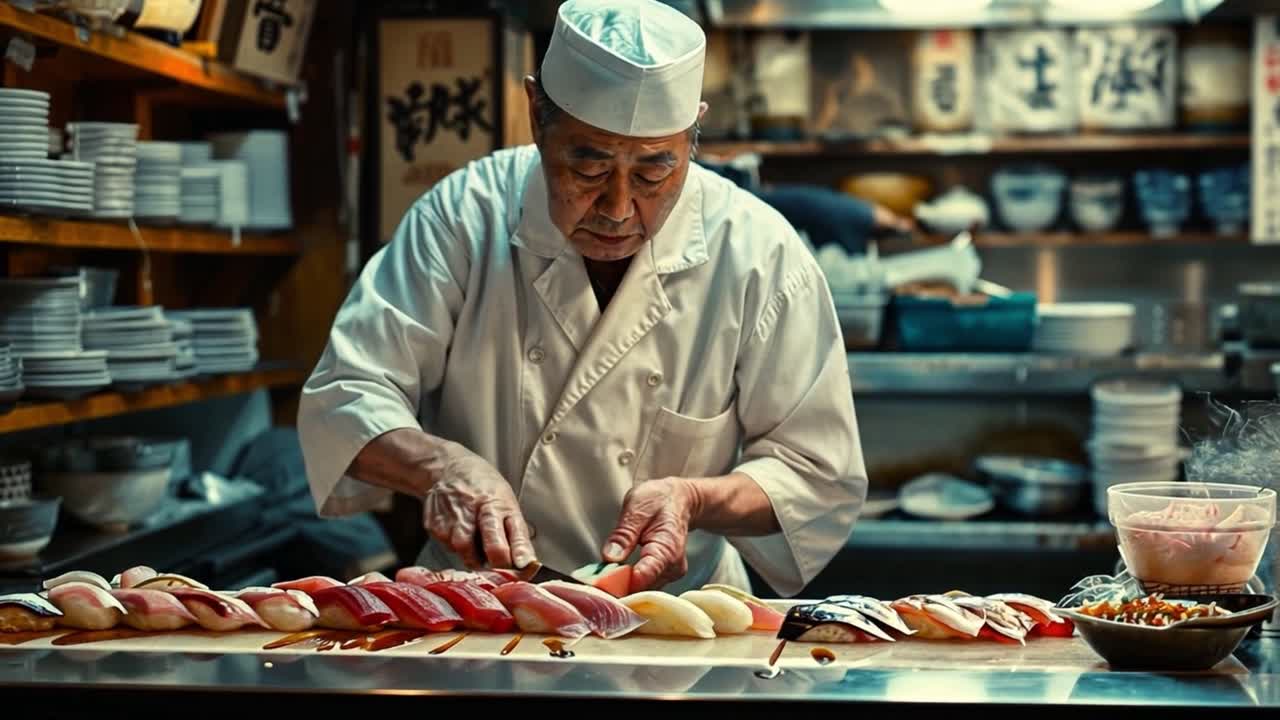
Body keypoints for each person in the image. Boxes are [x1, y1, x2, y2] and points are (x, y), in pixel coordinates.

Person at [296, 0, 868, 598]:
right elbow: (348, 393)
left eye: (653, 173)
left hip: (677, 617)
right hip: (478, 605)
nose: (618, 209)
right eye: (588, 167)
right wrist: (443, 468)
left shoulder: (757, 252)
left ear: (694, 132)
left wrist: (692, 498)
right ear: (536, 113)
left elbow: (814, 469)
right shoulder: (464, 218)